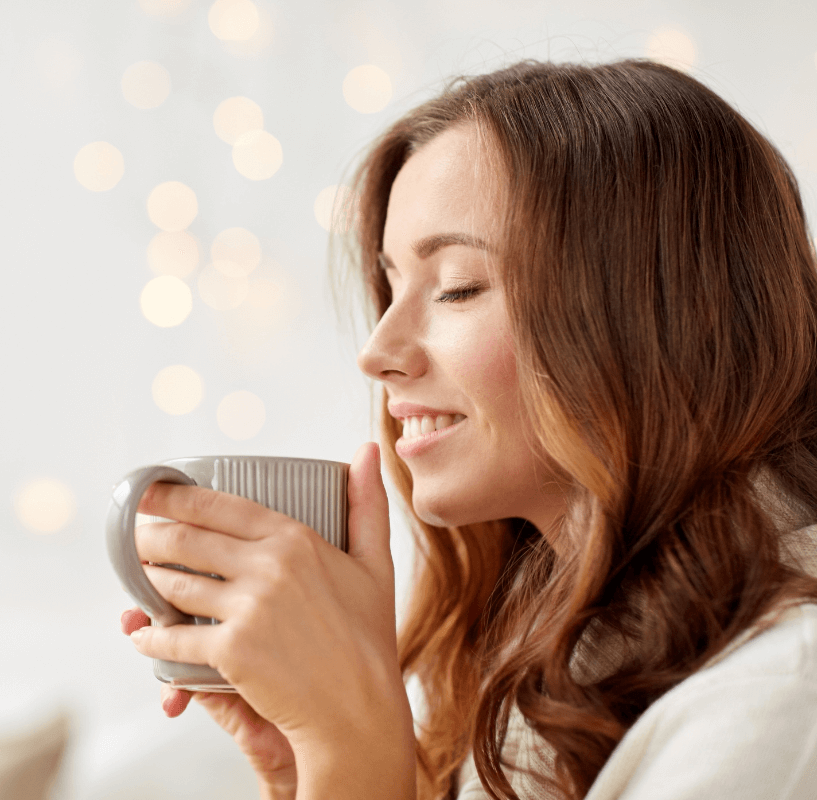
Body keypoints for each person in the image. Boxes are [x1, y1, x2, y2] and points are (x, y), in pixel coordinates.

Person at [119, 57, 817, 799]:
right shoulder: (546, 673)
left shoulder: (777, 698)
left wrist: (352, 754)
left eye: (457, 287)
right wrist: (319, 769)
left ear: (656, 314)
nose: (378, 352)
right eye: (389, 288)